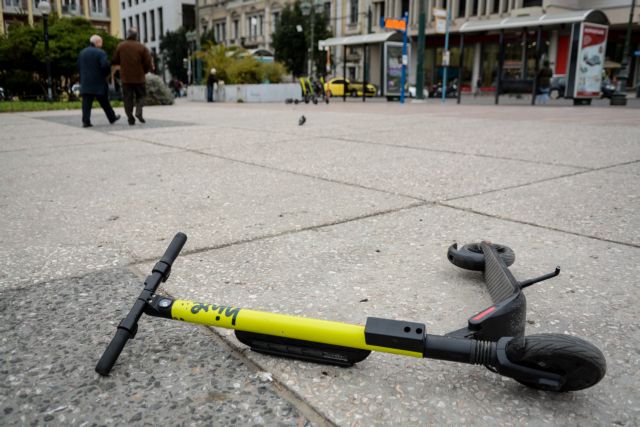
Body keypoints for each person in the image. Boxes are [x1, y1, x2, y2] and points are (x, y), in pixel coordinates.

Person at [77, 35, 120, 128]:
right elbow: (105, 65)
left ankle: (86, 121)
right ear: (97, 42)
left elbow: (78, 66)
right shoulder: (101, 52)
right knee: (105, 102)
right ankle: (112, 117)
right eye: (101, 42)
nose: (102, 44)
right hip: (98, 82)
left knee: (86, 103)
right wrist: (106, 74)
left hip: (86, 82)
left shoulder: (82, 52)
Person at [112, 27, 153, 125]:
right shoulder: (142, 47)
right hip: (139, 77)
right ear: (136, 36)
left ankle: (130, 117)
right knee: (141, 96)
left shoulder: (121, 46)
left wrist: (123, 63)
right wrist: (144, 71)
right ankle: (138, 112)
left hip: (126, 78)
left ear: (127, 35)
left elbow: (115, 60)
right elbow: (148, 61)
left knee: (127, 98)